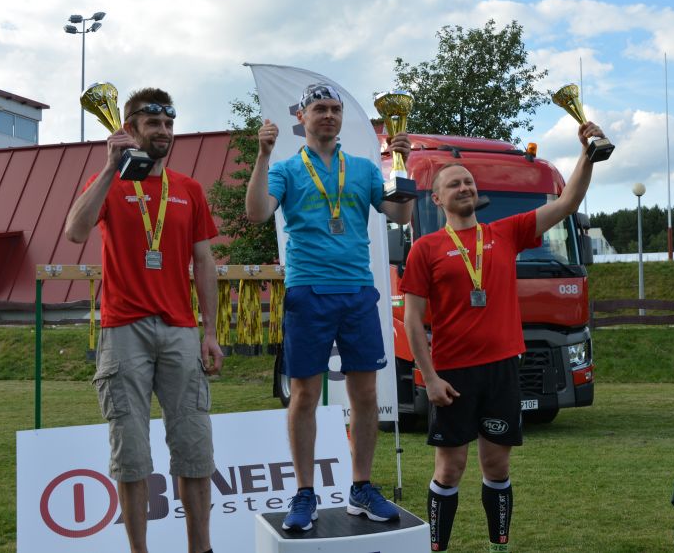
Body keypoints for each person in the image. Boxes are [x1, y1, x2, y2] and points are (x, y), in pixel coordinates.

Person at [399, 122, 600, 552]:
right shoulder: (425, 249)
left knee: (497, 467)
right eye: (454, 184)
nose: (464, 187)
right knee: (449, 469)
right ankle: (438, 547)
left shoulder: (504, 233)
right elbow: (413, 320)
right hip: (452, 373)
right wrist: (429, 377)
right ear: (437, 198)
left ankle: (499, 547)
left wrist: (587, 155)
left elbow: (567, 203)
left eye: (468, 182)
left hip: (503, 368)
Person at [245, 83, 413, 531]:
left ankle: (361, 487)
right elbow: (257, 213)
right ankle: (305, 492)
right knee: (304, 394)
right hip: (308, 291)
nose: (330, 116)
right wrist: (262, 156)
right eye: (320, 108)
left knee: (366, 395)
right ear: (301, 116)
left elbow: (401, 216)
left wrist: (403, 164)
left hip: (357, 291)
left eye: (335, 109)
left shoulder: (363, 168)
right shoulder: (285, 169)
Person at [65, 88, 223, 553]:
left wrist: (210, 331)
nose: (164, 132)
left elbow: (204, 262)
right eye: (153, 124)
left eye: (169, 124)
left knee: (194, 449)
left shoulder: (189, 189)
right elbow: (74, 231)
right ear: (130, 129)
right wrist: (109, 168)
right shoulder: (109, 183)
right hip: (123, 330)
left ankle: (201, 548)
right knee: (131, 454)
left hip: (180, 329)